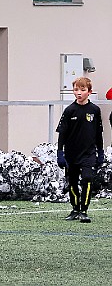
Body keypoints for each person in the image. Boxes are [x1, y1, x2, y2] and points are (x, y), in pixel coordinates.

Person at [56, 77, 104, 223]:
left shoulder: (95, 110)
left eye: (82, 90)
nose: (79, 93)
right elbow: (62, 134)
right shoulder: (69, 110)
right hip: (72, 153)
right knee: (72, 181)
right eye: (76, 90)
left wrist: (100, 152)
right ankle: (75, 208)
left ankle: (84, 210)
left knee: (88, 178)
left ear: (89, 92)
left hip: (88, 153)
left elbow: (98, 133)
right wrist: (60, 153)